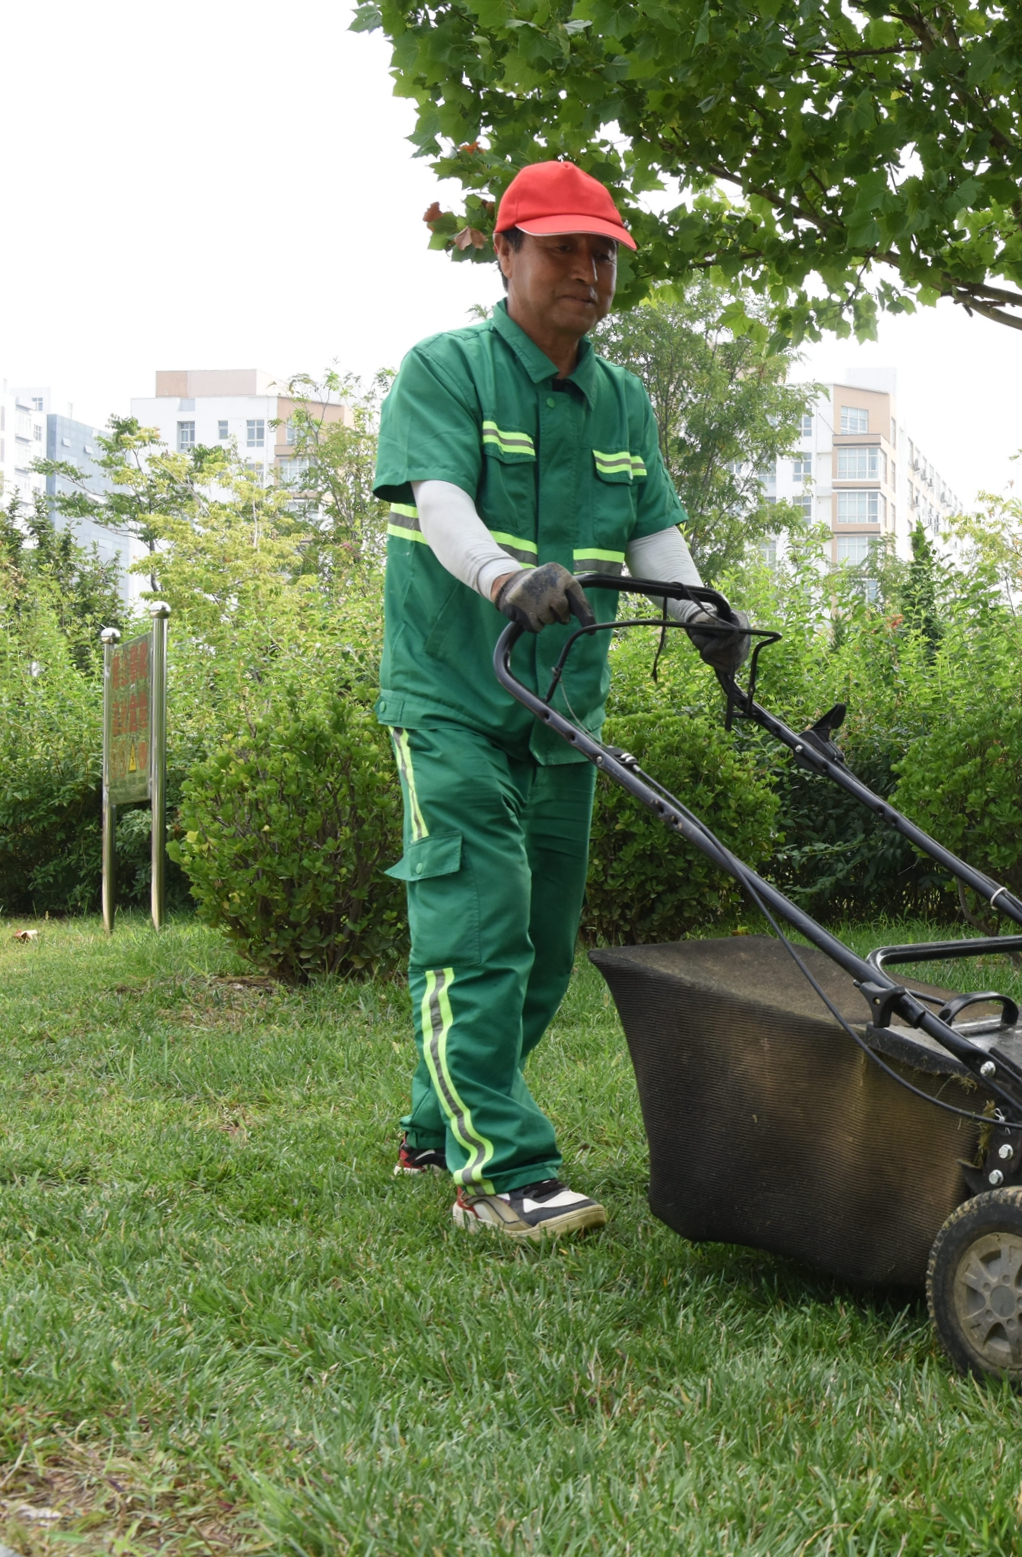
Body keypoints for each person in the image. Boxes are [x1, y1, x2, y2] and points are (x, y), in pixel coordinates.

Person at [371, 158, 729, 1242]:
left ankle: (436, 1124)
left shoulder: (621, 396)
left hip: (566, 706)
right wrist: (500, 577)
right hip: (454, 695)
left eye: (602, 251)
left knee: (541, 941)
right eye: (564, 247)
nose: (588, 268)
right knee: (478, 929)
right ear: (507, 252)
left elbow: (651, 528)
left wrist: (704, 610)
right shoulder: (446, 369)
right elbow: (439, 503)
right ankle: (500, 1171)